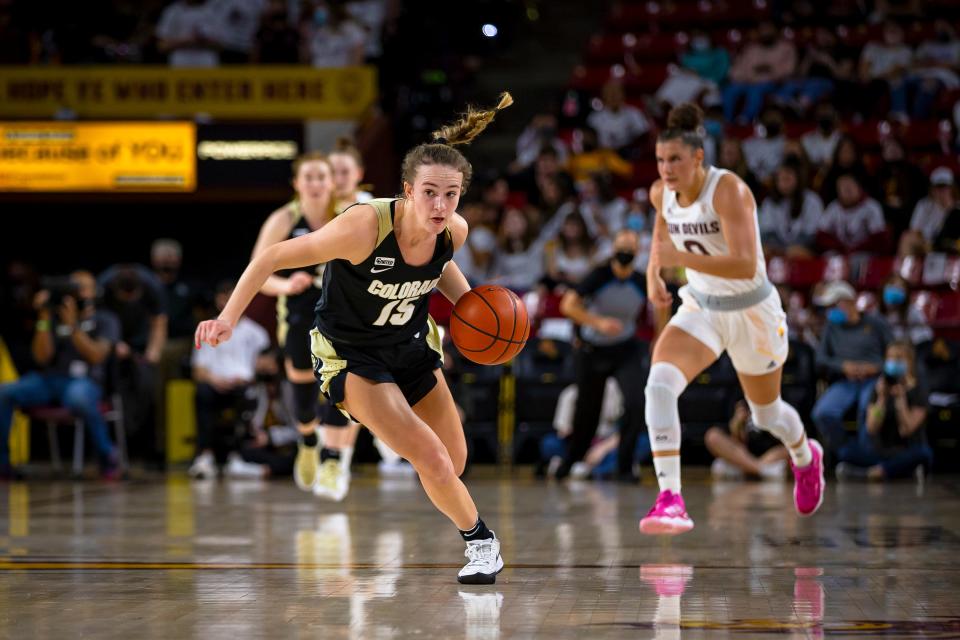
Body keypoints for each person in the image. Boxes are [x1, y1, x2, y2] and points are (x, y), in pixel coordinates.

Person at [196, 93, 513, 584]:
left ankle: (379, 427)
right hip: (351, 353)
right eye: (429, 193)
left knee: (452, 460)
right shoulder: (363, 227)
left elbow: (440, 267)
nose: (440, 205)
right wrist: (228, 318)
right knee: (428, 455)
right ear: (407, 190)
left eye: (451, 195)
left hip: (409, 345)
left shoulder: (455, 230)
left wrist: (474, 309)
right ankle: (482, 544)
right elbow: (270, 258)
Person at [641, 103, 824, 536]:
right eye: (661, 160)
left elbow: (744, 264)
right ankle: (671, 499)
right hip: (702, 307)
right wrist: (652, 277)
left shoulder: (729, 191)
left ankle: (804, 455)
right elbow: (660, 241)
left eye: (675, 160)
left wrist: (676, 259)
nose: (666, 168)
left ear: (698, 158)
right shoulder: (659, 192)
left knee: (766, 415)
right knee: (659, 386)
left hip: (752, 311)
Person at [251, 150, 349, 499]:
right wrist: (286, 284)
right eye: (308, 177)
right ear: (296, 184)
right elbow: (259, 275)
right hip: (298, 315)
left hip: (342, 315)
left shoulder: (347, 216)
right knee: (305, 396)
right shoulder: (283, 220)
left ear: (332, 181)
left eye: (321, 176)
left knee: (345, 386)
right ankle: (308, 440)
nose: (316, 183)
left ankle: (334, 457)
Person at [0, 271, 121, 479]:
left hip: (85, 381)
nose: (78, 292)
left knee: (79, 398)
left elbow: (97, 356)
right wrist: (44, 317)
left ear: (95, 291)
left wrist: (73, 325)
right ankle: (3, 463)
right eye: (74, 287)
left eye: (83, 287)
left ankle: (107, 455)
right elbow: (41, 357)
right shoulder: (54, 317)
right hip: (50, 379)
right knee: (4, 393)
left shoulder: (105, 319)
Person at [556, 229, 649, 481]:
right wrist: (597, 322)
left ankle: (625, 466)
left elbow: (660, 306)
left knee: (635, 403)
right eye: (622, 247)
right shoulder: (598, 276)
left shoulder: (641, 281)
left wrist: (660, 338)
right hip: (593, 350)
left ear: (638, 252)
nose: (626, 252)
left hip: (625, 348)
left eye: (631, 247)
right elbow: (568, 305)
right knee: (587, 411)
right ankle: (570, 462)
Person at [189, 280, 272, 479]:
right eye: (224, 296)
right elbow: (198, 368)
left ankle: (239, 458)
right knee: (202, 394)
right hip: (215, 384)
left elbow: (266, 364)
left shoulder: (257, 333)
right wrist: (215, 379)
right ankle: (205, 456)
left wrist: (250, 376)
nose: (228, 301)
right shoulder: (207, 327)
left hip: (245, 386)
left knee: (250, 396)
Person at [811, 280, 892, 456]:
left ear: (850, 301)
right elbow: (821, 359)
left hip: (874, 380)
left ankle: (868, 456)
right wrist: (843, 366)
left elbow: (895, 352)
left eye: (834, 305)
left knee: (866, 410)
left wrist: (875, 368)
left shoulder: (876, 324)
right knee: (822, 413)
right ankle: (848, 452)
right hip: (845, 381)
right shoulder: (831, 328)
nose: (830, 311)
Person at [835, 341, 932, 481]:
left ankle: (873, 473)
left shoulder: (919, 390)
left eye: (899, 358)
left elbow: (906, 429)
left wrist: (901, 399)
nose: (893, 362)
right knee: (845, 452)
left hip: (907, 449)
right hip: (881, 451)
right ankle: (896, 470)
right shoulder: (879, 388)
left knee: (924, 453)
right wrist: (881, 398)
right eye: (890, 358)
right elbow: (871, 428)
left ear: (909, 362)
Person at [706, 400, 788, 480]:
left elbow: (785, 438)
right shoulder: (738, 398)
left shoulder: (778, 397)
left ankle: (743, 470)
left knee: (793, 448)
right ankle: (762, 470)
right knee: (712, 436)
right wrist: (737, 423)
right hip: (743, 454)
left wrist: (771, 424)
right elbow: (733, 438)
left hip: (770, 454)